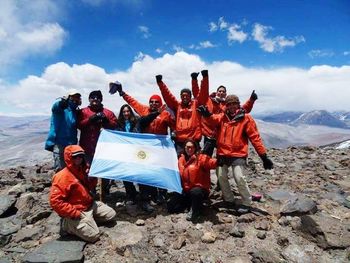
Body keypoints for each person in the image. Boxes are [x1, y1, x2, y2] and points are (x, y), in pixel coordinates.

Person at [198, 94, 273, 213]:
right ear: (226, 106)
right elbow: (212, 120)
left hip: (238, 154)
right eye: (229, 104)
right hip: (223, 153)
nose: (232, 106)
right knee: (221, 176)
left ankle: (247, 202)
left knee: (239, 177)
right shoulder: (223, 117)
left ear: (238, 104)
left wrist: (264, 157)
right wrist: (207, 114)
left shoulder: (246, 118)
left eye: (234, 103)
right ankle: (229, 200)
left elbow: (255, 138)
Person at [109, 82, 175, 209]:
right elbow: (133, 102)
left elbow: (173, 125)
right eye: (152, 101)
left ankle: (161, 193)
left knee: (160, 170)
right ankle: (149, 195)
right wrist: (122, 93)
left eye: (156, 102)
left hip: (161, 147)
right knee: (148, 171)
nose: (154, 104)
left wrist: (174, 133)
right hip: (146, 148)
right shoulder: (144, 110)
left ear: (160, 103)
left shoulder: (166, 114)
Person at [49, 145, 116, 242]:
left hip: (89, 205)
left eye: (80, 156)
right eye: (75, 157)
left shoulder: (83, 170)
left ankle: (88, 221)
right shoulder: (62, 177)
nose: (78, 159)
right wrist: (74, 213)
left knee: (111, 215)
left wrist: (92, 178)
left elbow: (90, 186)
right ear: (69, 157)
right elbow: (55, 201)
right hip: (77, 210)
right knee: (94, 236)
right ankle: (66, 225)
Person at [191, 73, 258, 156]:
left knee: (221, 158)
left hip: (221, 135)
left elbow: (242, 110)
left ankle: (220, 168)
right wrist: (194, 80)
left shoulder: (228, 105)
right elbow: (198, 94)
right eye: (220, 91)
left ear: (225, 94)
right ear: (216, 92)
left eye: (223, 91)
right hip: (209, 135)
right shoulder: (208, 101)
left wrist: (251, 100)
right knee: (206, 157)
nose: (221, 93)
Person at [156, 70, 209, 155]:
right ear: (180, 96)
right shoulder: (177, 106)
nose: (185, 97)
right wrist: (160, 83)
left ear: (190, 96)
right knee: (180, 164)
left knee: (194, 164)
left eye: (187, 95)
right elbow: (168, 96)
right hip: (180, 142)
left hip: (193, 141)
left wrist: (205, 77)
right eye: (183, 96)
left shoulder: (196, 104)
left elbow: (203, 93)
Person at [77, 90, 118, 199]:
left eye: (98, 97)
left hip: (104, 149)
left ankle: (104, 192)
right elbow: (78, 125)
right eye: (93, 97)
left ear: (101, 100)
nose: (95, 99)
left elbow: (115, 125)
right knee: (89, 172)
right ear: (89, 99)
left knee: (105, 173)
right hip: (87, 148)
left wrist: (105, 121)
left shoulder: (108, 113)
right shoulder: (83, 112)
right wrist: (90, 119)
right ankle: (91, 193)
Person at [167, 139, 218, 222]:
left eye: (191, 147)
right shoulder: (181, 159)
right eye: (187, 147)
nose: (189, 149)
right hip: (186, 190)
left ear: (195, 148)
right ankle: (192, 205)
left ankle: (195, 210)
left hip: (199, 190)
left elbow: (210, 162)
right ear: (184, 148)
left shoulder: (201, 158)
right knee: (171, 207)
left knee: (195, 192)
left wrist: (218, 161)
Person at [45, 89, 82, 171]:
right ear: (68, 97)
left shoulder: (75, 111)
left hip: (71, 145)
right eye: (73, 97)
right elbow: (55, 108)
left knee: (70, 168)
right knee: (60, 169)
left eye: (77, 98)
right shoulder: (62, 108)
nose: (75, 99)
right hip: (59, 143)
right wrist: (61, 103)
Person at [116, 104, 139, 204]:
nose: (126, 113)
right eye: (124, 112)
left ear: (130, 112)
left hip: (134, 151)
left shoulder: (136, 121)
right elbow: (115, 132)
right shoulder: (119, 123)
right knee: (125, 173)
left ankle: (139, 194)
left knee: (135, 172)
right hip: (124, 152)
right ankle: (130, 194)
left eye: (127, 111)